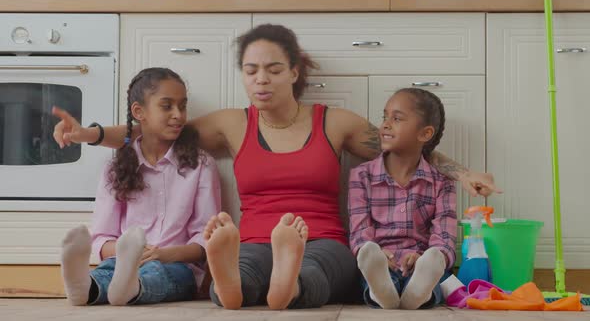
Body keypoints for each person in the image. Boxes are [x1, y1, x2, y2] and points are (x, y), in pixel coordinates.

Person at [52, 24, 500, 310]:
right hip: (254, 237)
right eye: (250, 71)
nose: (260, 80)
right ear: (243, 76)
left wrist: (464, 174)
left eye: (272, 69)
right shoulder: (232, 124)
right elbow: (154, 130)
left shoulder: (334, 122)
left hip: (324, 238)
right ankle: (230, 286)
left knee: (315, 274)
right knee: (241, 272)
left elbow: (401, 147)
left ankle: (286, 283)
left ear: (293, 73)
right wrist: (88, 134)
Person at [58, 67, 221, 306]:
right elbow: (103, 237)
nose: (179, 115)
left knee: (157, 275)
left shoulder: (201, 165)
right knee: (107, 271)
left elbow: (207, 238)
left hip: (176, 265)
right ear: (139, 112)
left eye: (182, 106)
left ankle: (129, 288)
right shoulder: (115, 166)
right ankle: (86, 287)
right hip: (122, 259)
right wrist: (130, 254)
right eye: (167, 106)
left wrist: (163, 254)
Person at [349, 88, 457, 310]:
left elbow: (444, 235)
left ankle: (418, 294)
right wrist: (375, 253)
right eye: (385, 116)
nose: (385, 125)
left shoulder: (442, 182)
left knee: (436, 279)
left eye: (396, 118)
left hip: (419, 263)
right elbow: (359, 229)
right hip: (379, 261)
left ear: (425, 134)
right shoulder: (362, 175)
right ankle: (383, 294)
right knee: (370, 276)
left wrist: (425, 258)